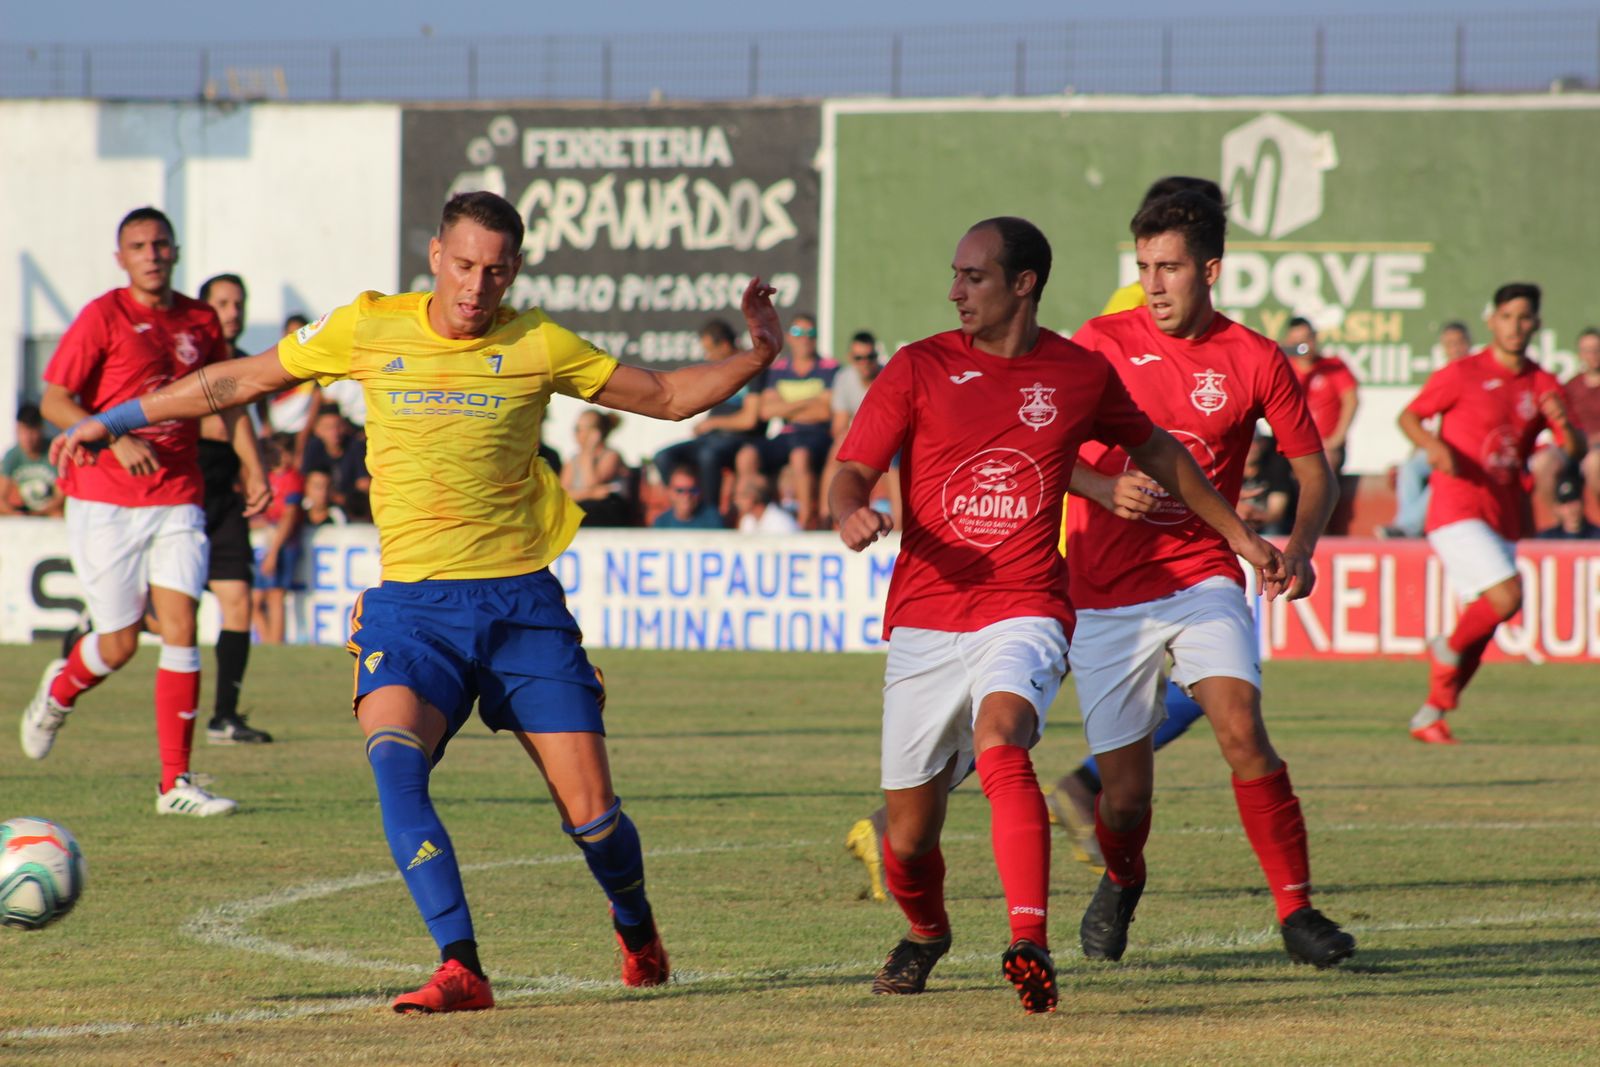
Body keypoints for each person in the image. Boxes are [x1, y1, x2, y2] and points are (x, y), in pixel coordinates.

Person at [54, 190, 783, 1013]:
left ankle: (636, 925)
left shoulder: (538, 342)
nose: (478, 286)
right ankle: (460, 964)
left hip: (521, 610)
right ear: (436, 255)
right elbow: (236, 381)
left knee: (594, 819)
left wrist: (758, 356)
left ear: (516, 271)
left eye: (497, 270)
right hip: (411, 609)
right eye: (465, 264)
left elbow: (667, 395)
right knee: (395, 763)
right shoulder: (368, 325)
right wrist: (110, 417)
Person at [828, 215, 1284, 1014]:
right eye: (956, 275)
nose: (955, 291)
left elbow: (1160, 452)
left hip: (1027, 604)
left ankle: (1028, 939)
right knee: (907, 838)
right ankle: (927, 932)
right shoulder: (917, 366)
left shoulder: (1077, 374)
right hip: (927, 615)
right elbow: (852, 468)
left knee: (1003, 739)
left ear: (1023, 284)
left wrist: (1240, 535)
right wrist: (849, 511)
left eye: (973, 277)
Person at [1064, 188, 1355, 971]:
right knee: (1124, 796)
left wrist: (1298, 543)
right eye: (1144, 267)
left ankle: (1296, 909)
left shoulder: (1256, 358)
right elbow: (1033, 442)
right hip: (1106, 587)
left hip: (1202, 573)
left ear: (1211, 269)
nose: (1154, 284)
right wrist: (1097, 489)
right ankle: (1123, 875)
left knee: (1240, 727)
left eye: (1170, 267)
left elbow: (1313, 472)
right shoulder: (1097, 342)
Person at [20, 206, 268, 816]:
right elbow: (54, 397)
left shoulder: (200, 320)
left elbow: (228, 394)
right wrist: (110, 436)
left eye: (160, 244)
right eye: (138, 246)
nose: (151, 254)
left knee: (182, 626)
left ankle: (175, 784)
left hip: (178, 495)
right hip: (103, 496)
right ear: (121, 257)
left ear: (175, 251)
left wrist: (254, 466)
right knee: (120, 643)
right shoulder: (103, 316)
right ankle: (60, 690)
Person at [1400, 283, 1585, 744]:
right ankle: (1444, 651)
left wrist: (1561, 420)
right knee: (1507, 596)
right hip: (1455, 506)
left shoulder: (1543, 384)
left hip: (1502, 511)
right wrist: (1433, 446)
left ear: (1537, 324)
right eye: (1507, 316)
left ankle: (1431, 715)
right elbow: (1409, 417)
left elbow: (1574, 448)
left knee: (1482, 629)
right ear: (1492, 320)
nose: (1515, 326)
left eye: (1525, 318)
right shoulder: (1462, 373)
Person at [194, 272, 274, 743]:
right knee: (150, 614)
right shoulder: (188, 359)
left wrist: (257, 470)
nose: (233, 312)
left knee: (238, 602)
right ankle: (89, 628)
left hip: (225, 501)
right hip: (180, 497)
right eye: (222, 303)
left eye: (238, 303)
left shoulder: (245, 364)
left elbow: (247, 426)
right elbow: (210, 427)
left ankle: (224, 717)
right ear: (204, 309)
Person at [652, 319, 767, 513]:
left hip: (741, 439)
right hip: (712, 437)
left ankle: (709, 514)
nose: (707, 356)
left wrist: (712, 422)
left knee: (708, 456)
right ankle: (681, 510)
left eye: (710, 350)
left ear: (724, 345)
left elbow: (750, 420)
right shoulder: (719, 372)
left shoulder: (752, 367)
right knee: (664, 457)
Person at [736, 312, 837, 528]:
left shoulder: (829, 368)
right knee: (747, 455)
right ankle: (748, 517)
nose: (804, 339)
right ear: (789, 337)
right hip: (787, 434)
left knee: (800, 456)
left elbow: (825, 412)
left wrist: (786, 407)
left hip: (816, 435)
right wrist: (809, 402)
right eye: (798, 333)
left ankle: (806, 521)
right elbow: (765, 410)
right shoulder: (779, 369)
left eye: (810, 333)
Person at [1382, 322, 1473, 538]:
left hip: (1467, 452)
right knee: (1410, 467)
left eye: (1459, 343)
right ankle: (1405, 523)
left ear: (1468, 344)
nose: (1455, 349)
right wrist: (1422, 444)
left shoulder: (1476, 374)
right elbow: (1415, 416)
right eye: (1450, 344)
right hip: (1440, 446)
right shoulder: (1442, 377)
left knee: (1442, 475)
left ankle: (1408, 528)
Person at [821, 331, 899, 527]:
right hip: (859, 436)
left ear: (876, 357)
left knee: (891, 461)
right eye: (859, 358)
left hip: (888, 437)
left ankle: (899, 523)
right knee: (836, 451)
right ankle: (827, 517)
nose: (865, 362)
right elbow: (839, 425)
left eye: (870, 357)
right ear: (851, 359)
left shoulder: (888, 376)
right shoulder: (844, 378)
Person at [252, 433, 306, 645]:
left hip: (283, 543)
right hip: (268, 541)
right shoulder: (270, 478)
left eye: (286, 453)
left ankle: (274, 643)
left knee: (275, 595)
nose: (283, 458)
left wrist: (274, 552)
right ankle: (268, 641)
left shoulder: (292, 479)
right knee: (256, 599)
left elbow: (289, 515)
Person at [561, 409, 633, 527]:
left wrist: (588, 452)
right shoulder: (572, 460)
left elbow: (592, 483)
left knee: (588, 510)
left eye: (579, 429)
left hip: (606, 513)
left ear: (595, 433)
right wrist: (591, 494)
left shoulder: (611, 455)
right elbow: (563, 495)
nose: (576, 434)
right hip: (583, 509)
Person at [302, 404, 370, 520]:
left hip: (351, 508)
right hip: (321, 504)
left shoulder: (356, 447)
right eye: (328, 427)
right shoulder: (313, 447)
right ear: (317, 430)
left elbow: (364, 486)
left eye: (338, 426)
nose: (334, 432)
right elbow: (309, 480)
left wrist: (335, 497)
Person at [0, 403, 64, 516]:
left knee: (57, 514)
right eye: (23, 431)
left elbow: (61, 496)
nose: (27, 438)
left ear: (41, 429)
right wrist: (16, 513)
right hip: (23, 511)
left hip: (48, 511)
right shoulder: (12, 455)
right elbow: (2, 498)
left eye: (32, 431)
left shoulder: (54, 451)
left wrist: (38, 513)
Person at [1236, 430, 1296, 535]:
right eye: (1246, 442)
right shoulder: (1227, 469)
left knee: (1273, 529)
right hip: (1234, 524)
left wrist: (1255, 518)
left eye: (1256, 442)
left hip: (1265, 525)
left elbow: (1277, 511)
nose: (1252, 448)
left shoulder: (1275, 466)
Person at [651, 464, 725, 529]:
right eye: (680, 490)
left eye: (693, 490)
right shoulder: (661, 523)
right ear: (669, 492)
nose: (687, 496)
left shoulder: (713, 520)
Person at [1536, 465, 1598, 539]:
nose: (1571, 509)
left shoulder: (1597, 537)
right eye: (1565, 503)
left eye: (1574, 501)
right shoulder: (1547, 539)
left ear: (1583, 503)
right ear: (1557, 508)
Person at [734, 473, 799, 534]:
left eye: (741, 495)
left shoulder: (781, 521)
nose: (736, 501)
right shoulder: (747, 521)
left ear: (752, 497)